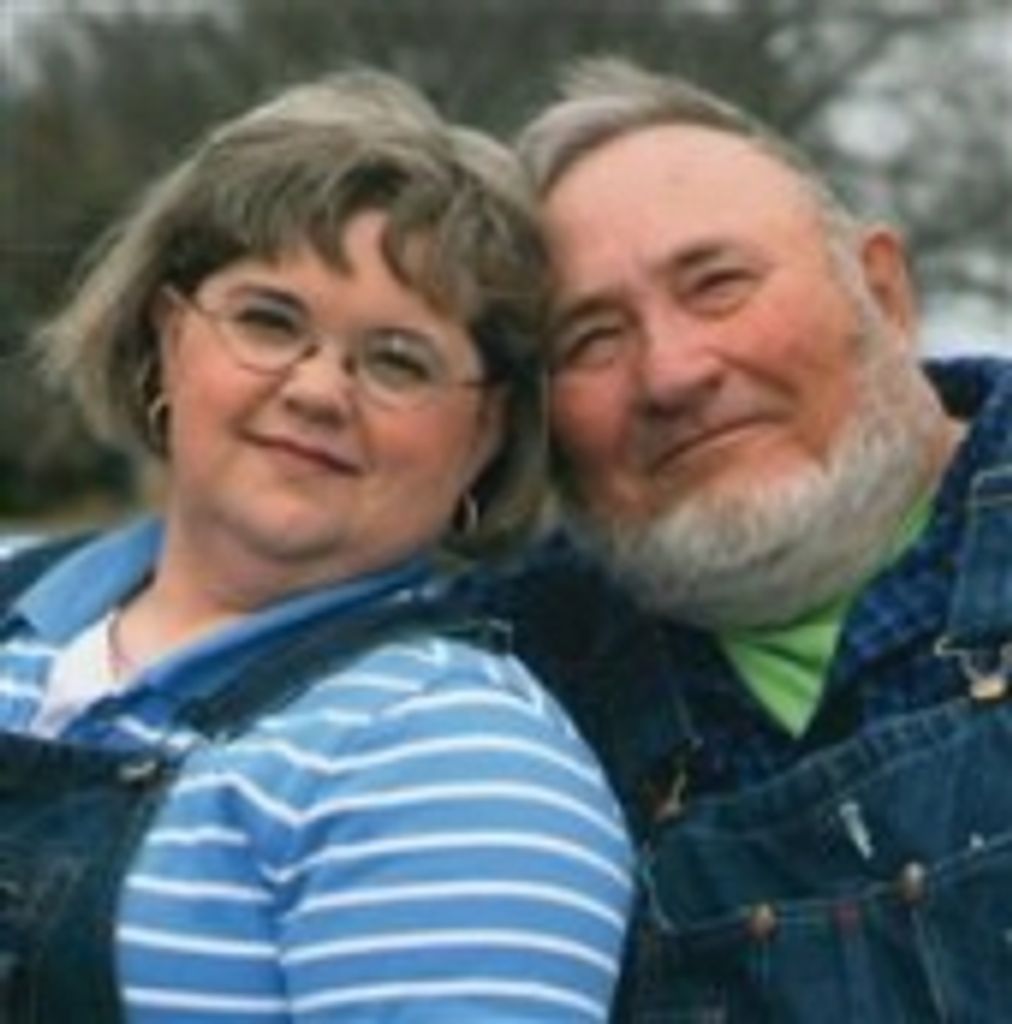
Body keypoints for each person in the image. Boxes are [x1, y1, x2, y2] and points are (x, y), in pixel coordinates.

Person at [0, 69, 633, 1023]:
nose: (317, 391)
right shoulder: (17, 599)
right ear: (169, 338)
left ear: (486, 432)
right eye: (269, 321)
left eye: (397, 361)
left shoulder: (457, 762)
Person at [464, 55, 1012, 1021]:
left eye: (717, 284)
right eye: (590, 339)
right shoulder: (501, 692)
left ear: (882, 294)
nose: (672, 375)